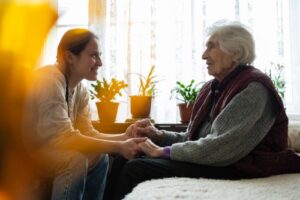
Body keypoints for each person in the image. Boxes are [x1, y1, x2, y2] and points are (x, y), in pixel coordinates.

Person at [104, 22, 300, 200]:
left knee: (135, 168)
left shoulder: (254, 89)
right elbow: (195, 139)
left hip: (241, 166)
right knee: (125, 158)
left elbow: (221, 148)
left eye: (212, 46)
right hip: (219, 161)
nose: (204, 55)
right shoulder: (213, 88)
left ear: (237, 53)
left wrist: (162, 151)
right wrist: (159, 136)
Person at [22, 28, 145, 200]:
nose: (100, 63)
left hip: (49, 149)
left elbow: (87, 133)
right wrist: (118, 146)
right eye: (93, 55)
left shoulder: (80, 88)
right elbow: (63, 138)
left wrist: (124, 137)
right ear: (70, 57)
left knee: (99, 156)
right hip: (24, 153)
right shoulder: (49, 80)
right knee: (74, 161)